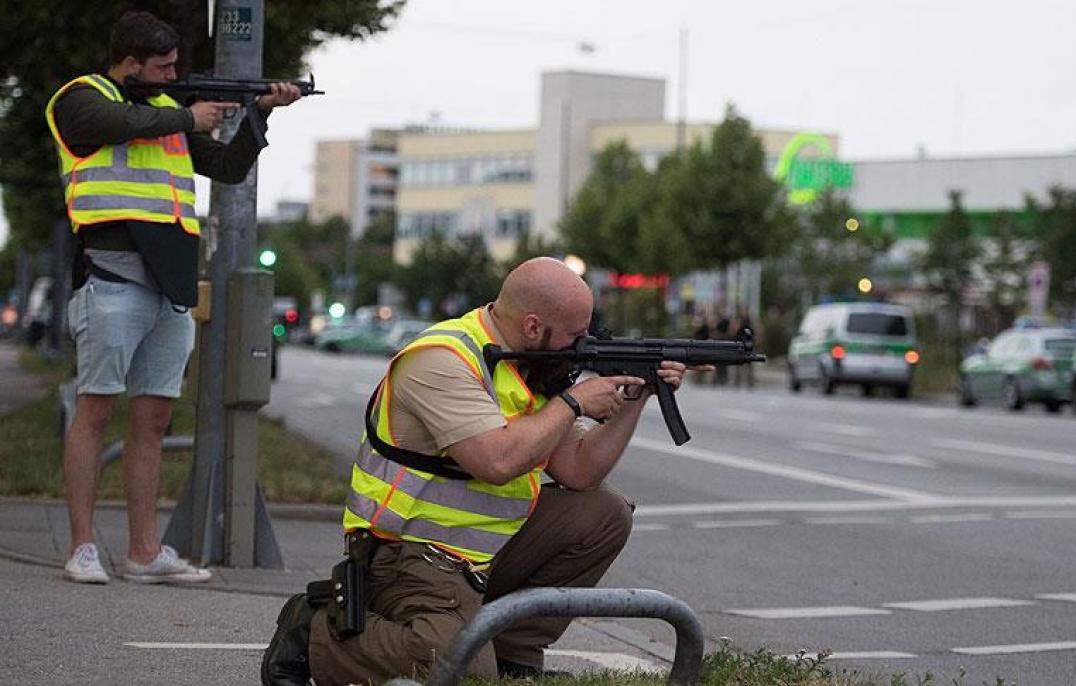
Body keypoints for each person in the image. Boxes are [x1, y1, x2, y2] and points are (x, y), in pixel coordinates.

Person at [262, 257, 699, 685]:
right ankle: (316, 634)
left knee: (603, 512)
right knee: (461, 671)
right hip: (404, 555)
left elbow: (580, 471)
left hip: (480, 553)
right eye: (575, 335)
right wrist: (574, 403)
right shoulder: (441, 358)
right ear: (532, 326)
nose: (582, 345)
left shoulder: (532, 365)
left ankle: (513, 653)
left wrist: (637, 396)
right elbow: (496, 462)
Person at [46, 10, 301, 585]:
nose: (169, 76)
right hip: (111, 274)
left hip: (170, 285)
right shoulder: (79, 98)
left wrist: (259, 113)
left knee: (153, 418)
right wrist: (188, 114)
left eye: (174, 68)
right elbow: (112, 122)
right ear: (130, 62)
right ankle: (82, 547)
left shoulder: (167, 115)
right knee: (96, 410)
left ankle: (143, 551)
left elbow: (229, 171)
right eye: (161, 68)